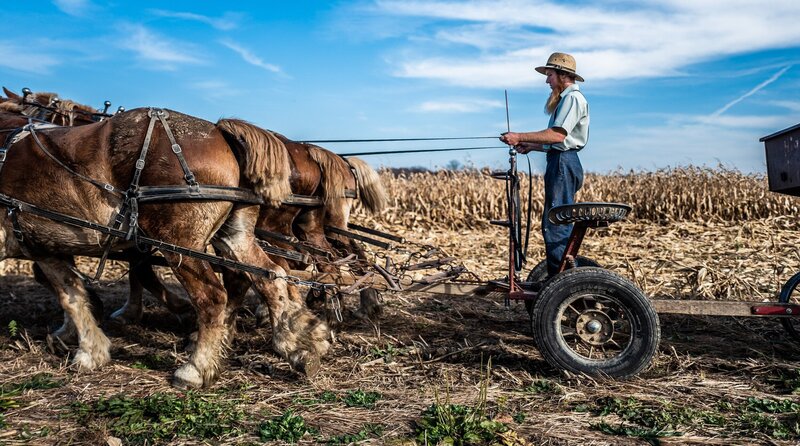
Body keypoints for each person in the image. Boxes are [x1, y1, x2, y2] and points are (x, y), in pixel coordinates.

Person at [500, 52, 589, 277]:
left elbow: (557, 136)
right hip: (562, 160)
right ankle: (559, 276)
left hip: (562, 163)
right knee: (556, 220)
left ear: (562, 75)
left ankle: (560, 281)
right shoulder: (567, 99)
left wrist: (519, 136)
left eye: (549, 75)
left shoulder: (572, 99)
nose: (547, 80)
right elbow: (559, 141)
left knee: (556, 223)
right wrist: (530, 145)